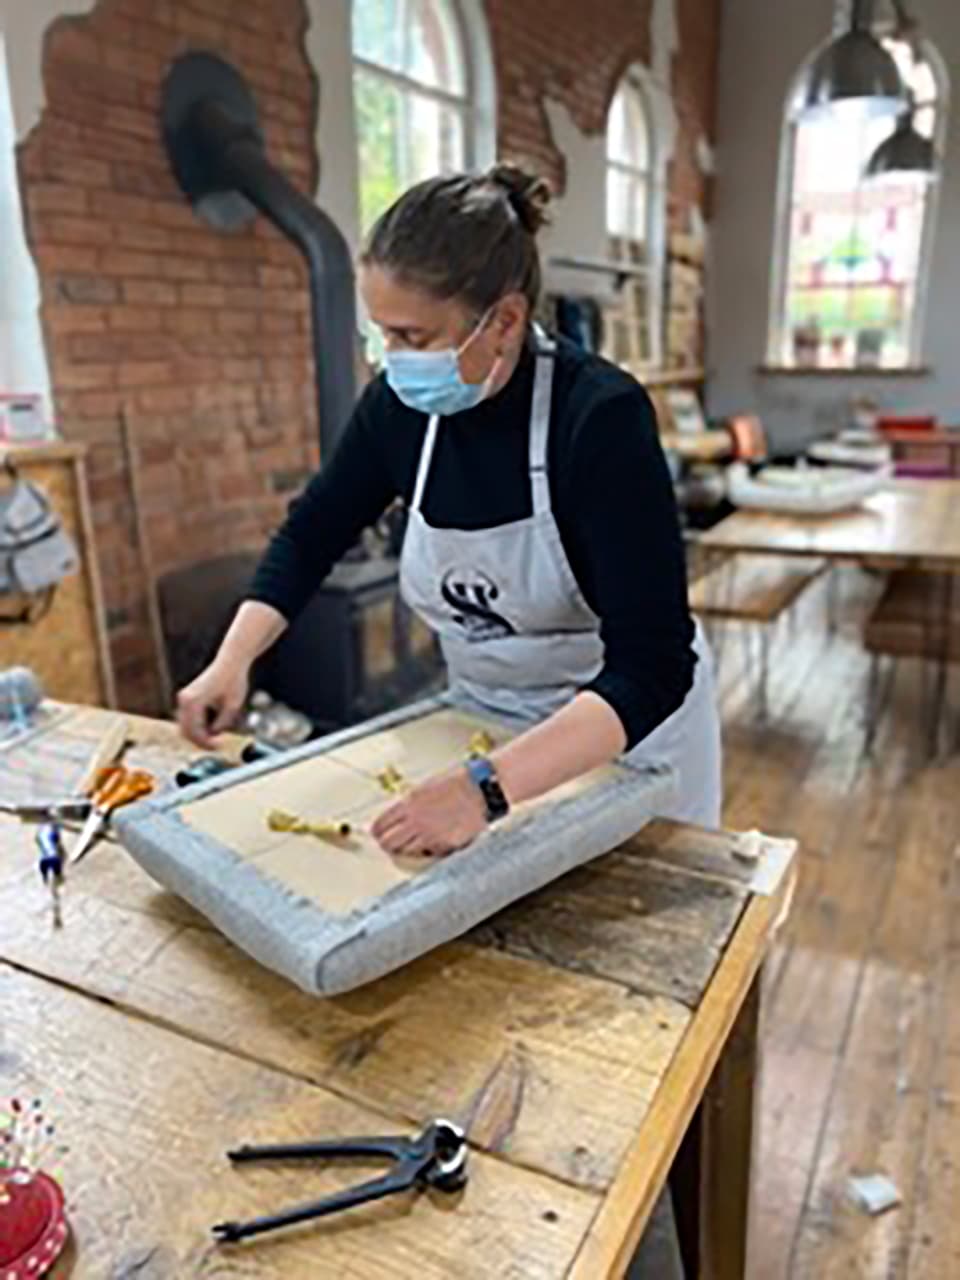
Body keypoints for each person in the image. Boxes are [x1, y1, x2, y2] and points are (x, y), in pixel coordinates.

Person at [177, 164, 722, 855]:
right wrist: (232, 660)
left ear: (504, 321)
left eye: (413, 338)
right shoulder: (397, 411)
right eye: (383, 336)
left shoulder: (598, 419)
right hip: (485, 723)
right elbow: (313, 533)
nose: (391, 362)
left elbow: (653, 666)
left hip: (625, 728)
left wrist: (485, 789)